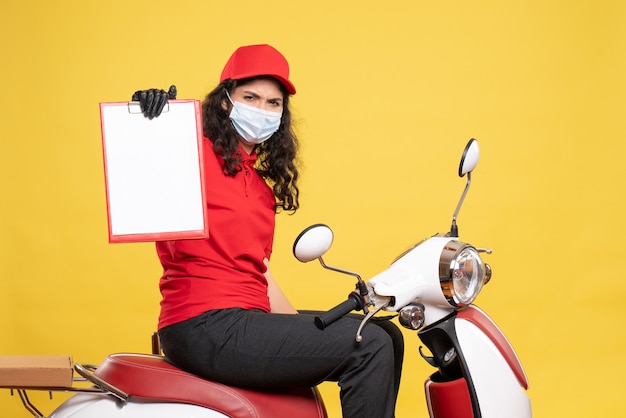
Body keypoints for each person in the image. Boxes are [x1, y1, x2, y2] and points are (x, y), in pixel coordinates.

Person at [132, 44, 404, 418]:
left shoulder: (260, 189)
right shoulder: (190, 155)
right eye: (250, 97)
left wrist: (306, 336)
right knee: (368, 344)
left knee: (385, 334)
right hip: (202, 324)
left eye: (273, 103)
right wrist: (151, 122)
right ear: (226, 101)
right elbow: (142, 172)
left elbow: (261, 273)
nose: (262, 110)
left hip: (247, 319)